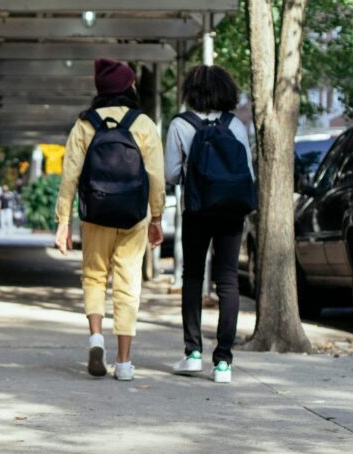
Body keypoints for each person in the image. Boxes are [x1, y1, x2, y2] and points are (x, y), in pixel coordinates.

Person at [54, 58, 165, 381]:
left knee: (94, 276)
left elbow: (70, 176)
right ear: (128, 87)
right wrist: (156, 217)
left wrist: (63, 222)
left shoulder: (85, 124)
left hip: (96, 214)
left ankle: (96, 338)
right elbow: (156, 176)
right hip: (134, 216)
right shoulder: (143, 124)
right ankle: (126, 363)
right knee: (128, 284)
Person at [165, 65, 254, 384]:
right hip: (232, 210)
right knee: (228, 279)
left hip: (198, 209)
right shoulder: (236, 124)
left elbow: (171, 174)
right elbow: (247, 172)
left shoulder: (180, 124)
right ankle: (223, 363)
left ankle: (192, 353)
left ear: (191, 91)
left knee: (192, 276)